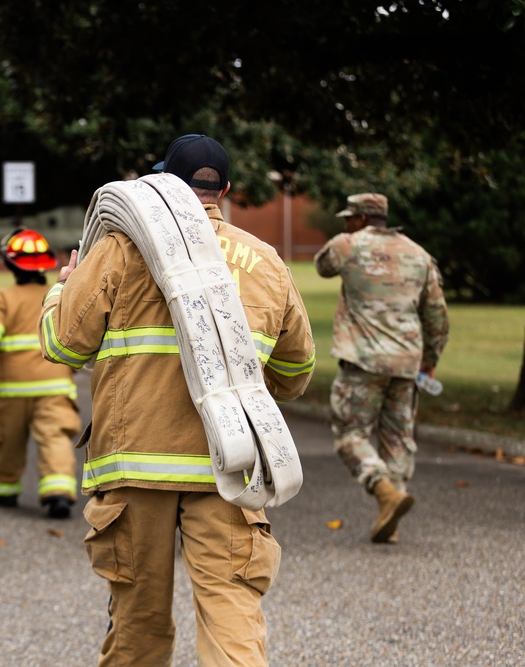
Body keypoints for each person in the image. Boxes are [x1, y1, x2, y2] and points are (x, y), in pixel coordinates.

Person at [40, 134, 315, 665]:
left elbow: (61, 345)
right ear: (226, 190)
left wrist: (62, 287)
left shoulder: (118, 250)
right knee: (232, 614)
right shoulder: (265, 261)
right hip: (230, 466)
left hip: (135, 466)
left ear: (164, 181)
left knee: (138, 626)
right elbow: (297, 370)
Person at [314, 193, 449, 544]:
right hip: (406, 363)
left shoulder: (349, 245)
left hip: (363, 361)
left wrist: (348, 239)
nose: (345, 223)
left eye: (349, 217)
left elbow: (322, 265)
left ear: (361, 218)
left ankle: (383, 490)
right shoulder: (419, 255)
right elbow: (437, 316)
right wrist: (429, 362)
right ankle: (390, 515)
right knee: (397, 439)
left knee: (350, 434)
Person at [0, 228, 80, 518]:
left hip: (11, 389)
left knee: (8, 442)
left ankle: (4, 490)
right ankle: (59, 493)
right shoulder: (58, 294)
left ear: (10, 264)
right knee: (56, 439)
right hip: (55, 386)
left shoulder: (2, 298)